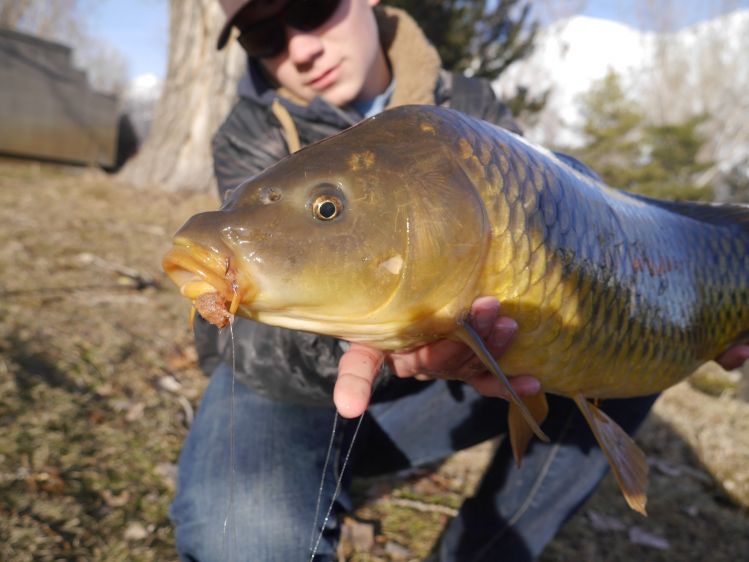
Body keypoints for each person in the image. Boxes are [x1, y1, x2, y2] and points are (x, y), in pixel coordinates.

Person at [169, 1, 749, 560]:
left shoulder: (470, 105)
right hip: (283, 388)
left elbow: (584, 223)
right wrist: (382, 342)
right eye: (262, 36)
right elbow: (241, 332)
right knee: (243, 545)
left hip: (445, 384)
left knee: (609, 341)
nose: (298, 48)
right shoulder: (248, 130)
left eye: (312, 7)